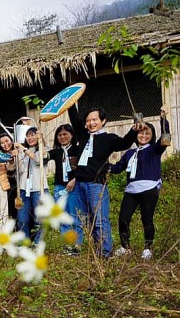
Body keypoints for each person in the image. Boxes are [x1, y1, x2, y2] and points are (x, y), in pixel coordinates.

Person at [68, 104, 142, 258]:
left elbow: (124, 144)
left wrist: (133, 131)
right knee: (83, 220)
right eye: (88, 120)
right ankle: (93, 251)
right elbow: (74, 118)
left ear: (103, 121)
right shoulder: (82, 135)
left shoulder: (109, 138)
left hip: (97, 184)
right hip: (79, 185)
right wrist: (70, 99)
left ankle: (106, 254)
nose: (91, 123)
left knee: (100, 220)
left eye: (95, 119)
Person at [111, 119, 168, 260]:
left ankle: (147, 248)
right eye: (141, 132)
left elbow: (166, 135)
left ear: (152, 135)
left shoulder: (155, 149)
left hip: (149, 188)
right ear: (136, 135)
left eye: (147, 133)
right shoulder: (130, 153)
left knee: (147, 219)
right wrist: (102, 165)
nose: (143, 135)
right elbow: (117, 168)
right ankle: (125, 247)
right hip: (131, 190)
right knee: (123, 218)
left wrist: (163, 118)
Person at [47, 124, 82, 255]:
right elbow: (42, 157)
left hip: (75, 186)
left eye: (65, 134)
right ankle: (67, 245)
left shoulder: (78, 150)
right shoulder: (56, 151)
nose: (62, 137)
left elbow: (83, 168)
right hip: (59, 187)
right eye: (60, 135)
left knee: (76, 215)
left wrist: (75, 180)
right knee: (63, 216)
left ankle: (78, 245)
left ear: (72, 135)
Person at [15, 127, 48, 243]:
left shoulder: (43, 149)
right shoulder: (22, 151)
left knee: (40, 218)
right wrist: (17, 156)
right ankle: (24, 242)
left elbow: (39, 159)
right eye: (28, 136)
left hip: (39, 189)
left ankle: (38, 243)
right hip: (24, 189)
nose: (30, 138)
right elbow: (19, 170)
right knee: (22, 218)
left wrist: (23, 150)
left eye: (33, 135)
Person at [0, 133, 18, 220]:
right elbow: (9, 168)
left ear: (12, 141)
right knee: (9, 210)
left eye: (7, 141)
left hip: (19, 184)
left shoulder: (18, 151)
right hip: (6, 185)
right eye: (2, 143)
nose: (5, 144)